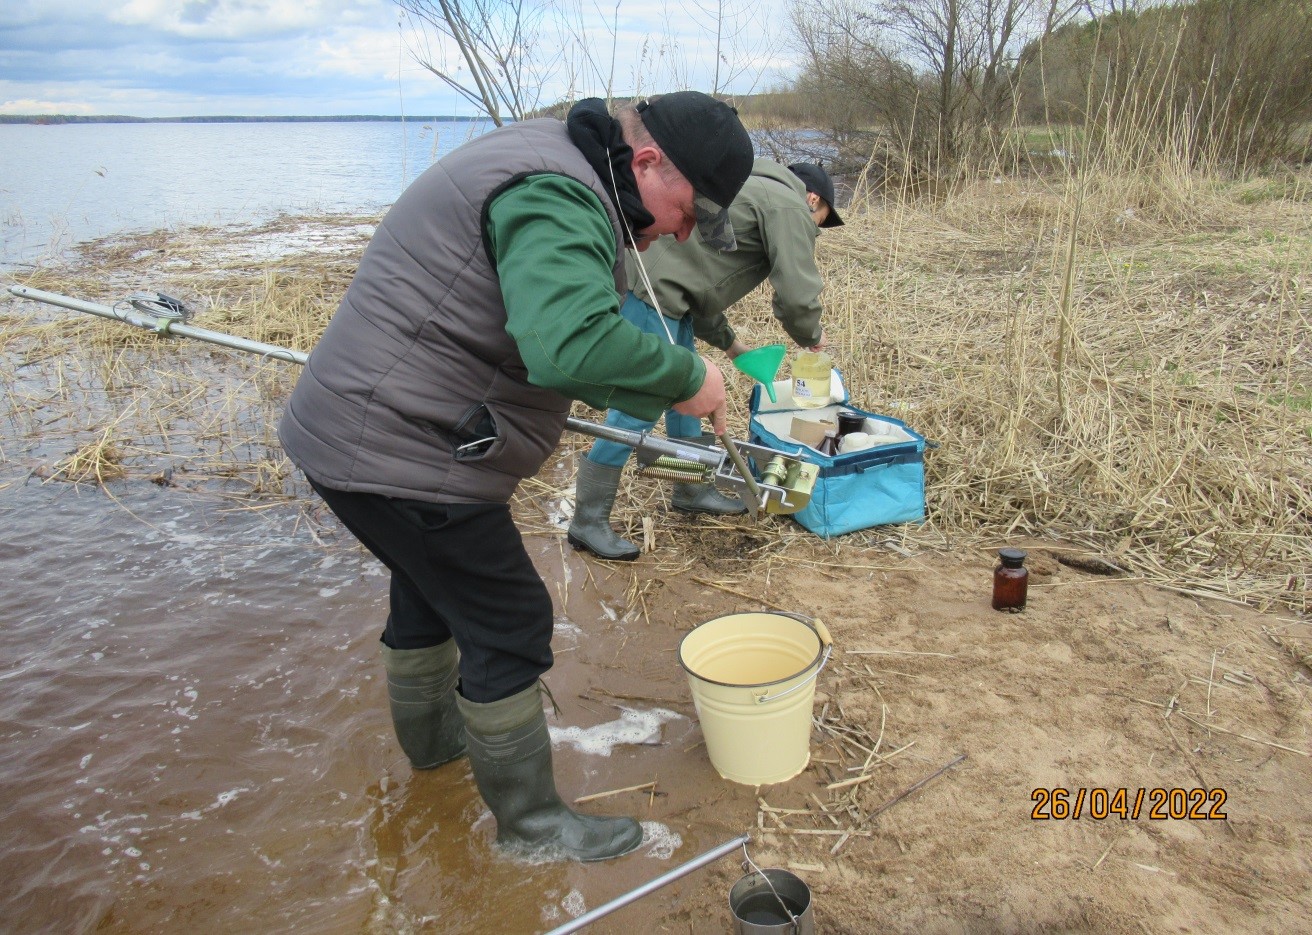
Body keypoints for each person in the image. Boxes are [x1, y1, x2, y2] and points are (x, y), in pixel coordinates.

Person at [277, 92, 754, 863]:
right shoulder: (559, 193)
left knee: (430, 593)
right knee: (509, 620)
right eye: (688, 211)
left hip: (358, 434)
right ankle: (532, 830)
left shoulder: (560, 165)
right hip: (402, 449)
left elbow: (552, 333)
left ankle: (437, 760)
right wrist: (685, 377)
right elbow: (569, 344)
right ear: (647, 162)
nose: (682, 232)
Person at [567, 158, 845, 560]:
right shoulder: (788, 204)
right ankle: (587, 520)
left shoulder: (749, 189)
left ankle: (691, 489)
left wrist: (730, 344)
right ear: (813, 198)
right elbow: (797, 293)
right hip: (654, 296)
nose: (816, 225)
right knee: (638, 408)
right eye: (821, 218)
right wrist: (812, 337)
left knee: (688, 395)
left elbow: (699, 276)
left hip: (666, 295)